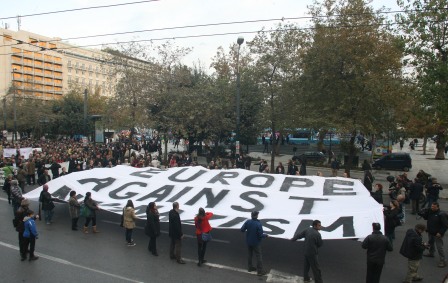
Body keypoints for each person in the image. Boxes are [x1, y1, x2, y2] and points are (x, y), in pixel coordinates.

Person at [419, 202, 448, 267]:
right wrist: (422, 213)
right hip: (430, 231)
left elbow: (445, 225)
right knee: (431, 242)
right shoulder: (430, 212)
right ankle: (431, 253)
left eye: (434, 207)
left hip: (438, 234)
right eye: (432, 206)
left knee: (439, 247)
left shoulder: (441, 214)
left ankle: (443, 261)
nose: (432, 208)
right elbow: (426, 218)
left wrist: (440, 233)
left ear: (437, 207)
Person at [240, 211, 268, 276]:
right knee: (258, 256)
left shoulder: (248, 222)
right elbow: (260, 235)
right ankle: (260, 271)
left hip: (249, 241)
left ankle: (250, 267)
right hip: (256, 242)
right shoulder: (258, 224)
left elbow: (242, 230)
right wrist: (266, 235)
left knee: (250, 254)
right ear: (257, 216)